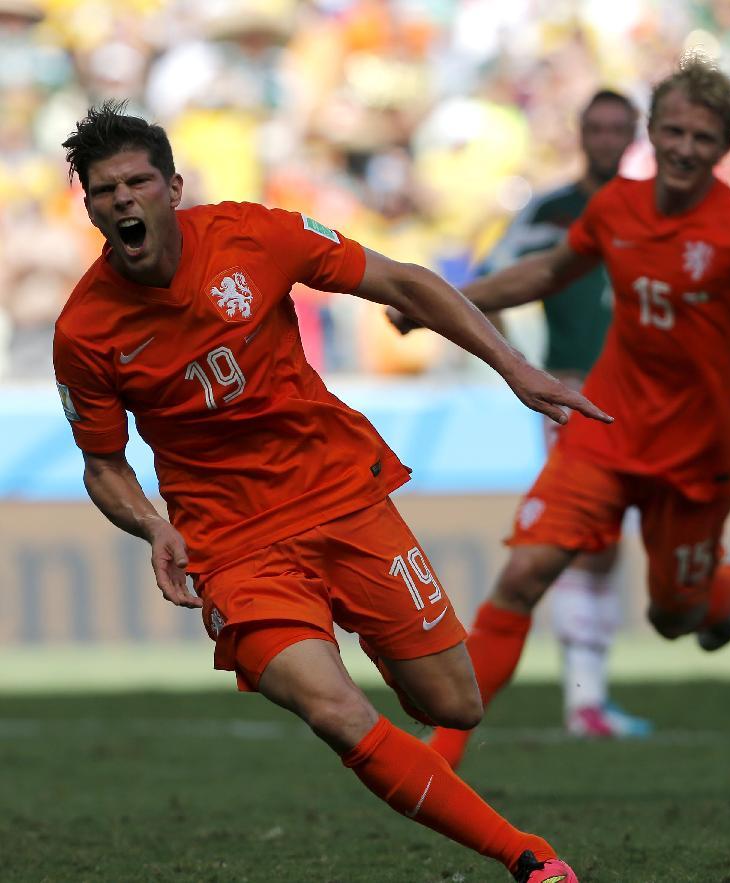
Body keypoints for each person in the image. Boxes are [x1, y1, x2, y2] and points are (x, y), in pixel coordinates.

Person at [52, 102, 612, 883]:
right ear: (89, 207)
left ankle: (373, 627)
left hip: (340, 497)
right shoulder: (85, 330)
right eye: (103, 189)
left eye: (137, 181)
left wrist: (515, 368)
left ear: (172, 186)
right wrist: (152, 526)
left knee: (455, 702)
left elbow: (406, 283)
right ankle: (532, 859)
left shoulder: (254, 235)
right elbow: (102, 462)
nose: (121, 199)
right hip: (233, 545)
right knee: (338, 711)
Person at [390, 55, 730, 770]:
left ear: (724, 149)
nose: (686, 147)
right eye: (675, 130)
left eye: (704, 137)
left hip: (696, 453)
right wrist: (444, 307)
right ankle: (440, 756)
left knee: (674, 615)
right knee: (525, 571)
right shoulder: (615, 207)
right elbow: (548, 271)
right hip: (604, 426)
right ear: (651, 132)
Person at [480, 89, 652, 739]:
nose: (607, 138)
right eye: (597, 127)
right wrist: (520, 363)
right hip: (577, 395)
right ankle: (585, 703)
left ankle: (590, 701)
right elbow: (486, 280)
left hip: (649, 397)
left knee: (610, 547)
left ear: (633, 133)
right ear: (581, 133)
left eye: (618, 127)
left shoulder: (653, 207)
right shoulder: (550, 210)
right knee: (585, 540)